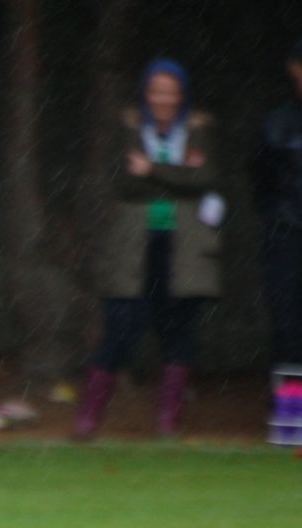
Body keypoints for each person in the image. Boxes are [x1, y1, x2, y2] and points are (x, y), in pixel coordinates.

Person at [74, 58, 220, 440]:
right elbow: (124, 184)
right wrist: (178, 176)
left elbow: (204, 180)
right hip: (133, 246)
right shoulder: (127, 126)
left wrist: (152, 170)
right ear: (145, 93)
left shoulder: (199, 128)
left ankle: (167, 422)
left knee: (178, 331)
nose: (163, 99)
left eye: (170, 91)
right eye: (156, 91)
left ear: (182, 94)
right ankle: (87, 421)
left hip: (183, 246)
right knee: (120, 328)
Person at [251, 37, 302, 372]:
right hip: (286, 238)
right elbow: (261, 182)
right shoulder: (275, 123)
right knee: (288, 330)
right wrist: (281, 218)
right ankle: (291, 418)